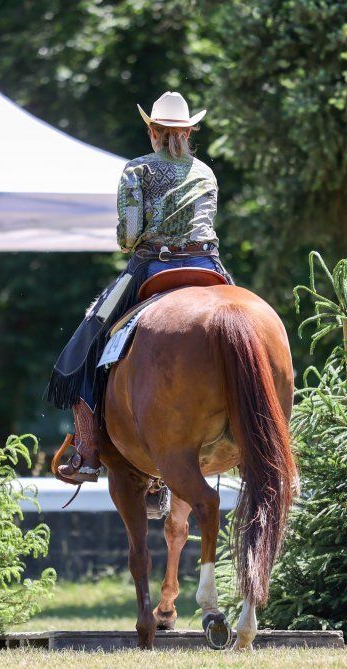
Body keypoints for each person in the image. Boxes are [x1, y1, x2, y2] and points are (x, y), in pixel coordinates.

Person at [45, 91, 232, 485]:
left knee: (88, 338)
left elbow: (130, 236)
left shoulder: (136, 170)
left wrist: (127, 239)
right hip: (207, 265)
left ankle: (88, 452)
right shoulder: (206, 172)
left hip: (152, 267)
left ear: (152, 131)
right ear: (190, 131)